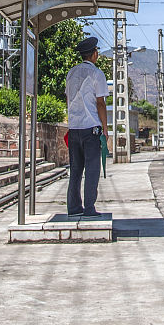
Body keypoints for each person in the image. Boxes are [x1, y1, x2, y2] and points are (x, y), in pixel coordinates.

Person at [64, 36, 107, 218]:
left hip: (74, 128)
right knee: (92, 169)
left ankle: (73, 207)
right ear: (95, 54)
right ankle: (89, 208)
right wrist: (105, 129)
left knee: (75, 169)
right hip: (91, 128)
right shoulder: (97, 74)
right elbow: (100, 103)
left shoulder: (71, 73)